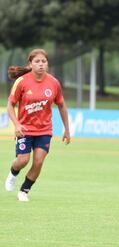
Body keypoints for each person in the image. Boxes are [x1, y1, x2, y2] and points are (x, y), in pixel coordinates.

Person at [5, 48, 70, 201]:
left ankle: (24, 191)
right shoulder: (21, 82)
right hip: (25, 130)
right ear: (31, 64)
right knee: (23, 160)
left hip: (44, 130)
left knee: (39, 161)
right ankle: (13, 173)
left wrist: (67, 129)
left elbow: (61, 106)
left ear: (47, 64)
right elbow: (10, 105)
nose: (41, 64)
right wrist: (17, 125)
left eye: (44, 61)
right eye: (37, 61)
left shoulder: (54, 83)